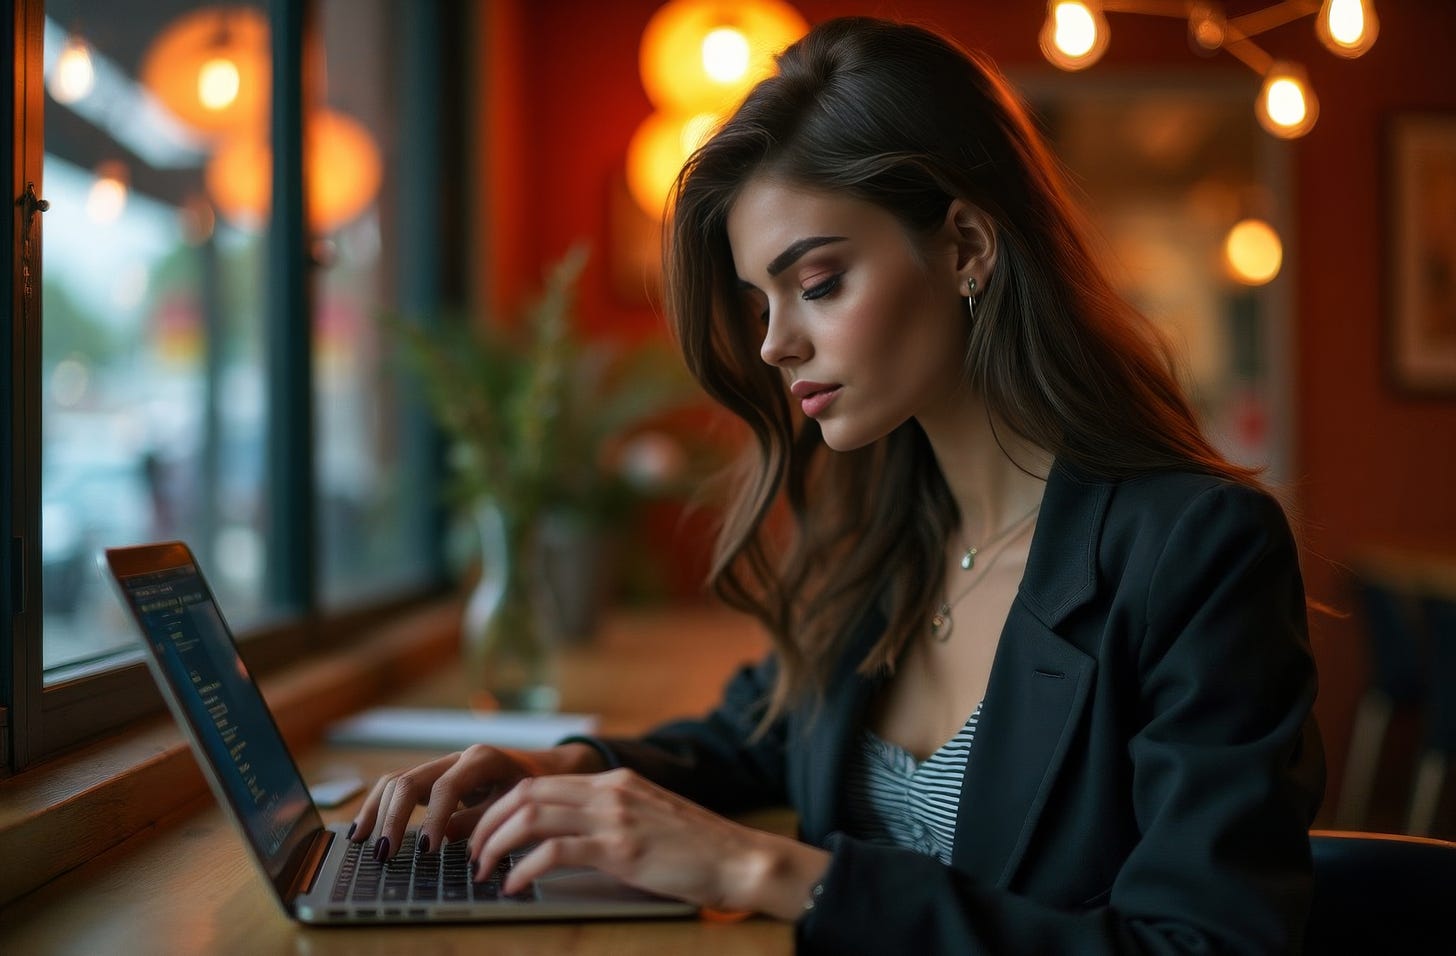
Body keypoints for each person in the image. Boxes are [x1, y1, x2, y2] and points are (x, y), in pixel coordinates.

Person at [351, 16, 1325, 953]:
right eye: (758, 300)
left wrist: (769, 872)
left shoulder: (1196, 549)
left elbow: (1199, 939)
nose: (775, 341)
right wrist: (565, 765)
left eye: (815, 282)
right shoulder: (885, 525)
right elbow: (760, 731)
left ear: (965, 248)